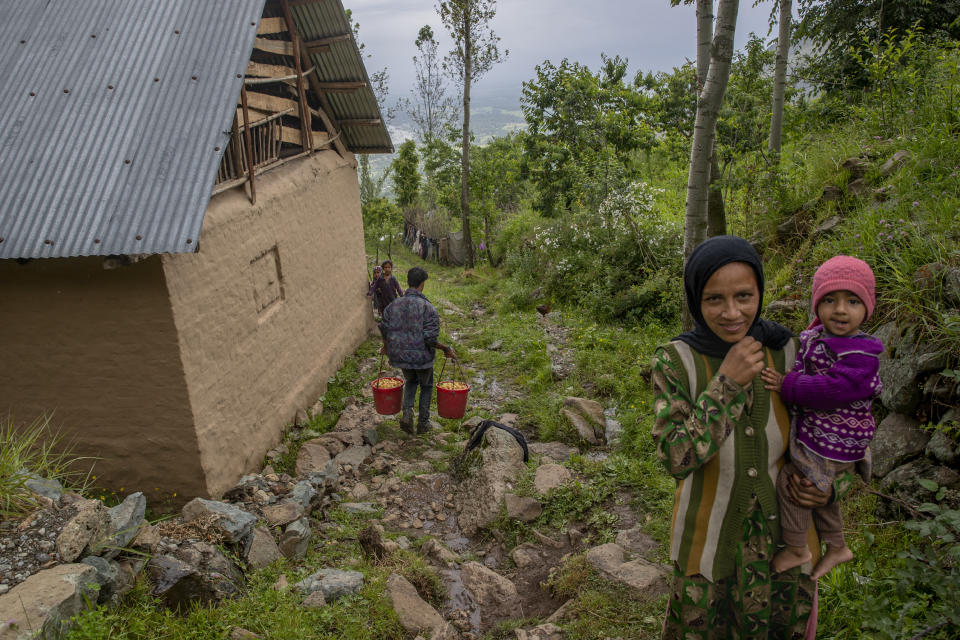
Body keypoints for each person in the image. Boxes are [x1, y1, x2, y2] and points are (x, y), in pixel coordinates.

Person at [651, 235, 846, 640]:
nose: (731, 312)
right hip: (707, 546)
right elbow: (676, 458)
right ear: (695, 300)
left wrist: (826, 491)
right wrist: (727, 384)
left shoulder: (792, 351)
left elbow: (829, 434)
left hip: (787, 544)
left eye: (744, 295)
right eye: (714, 300)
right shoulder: (677, 360)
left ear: (760, 291)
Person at [761, 256, 882, 579]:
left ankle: (798, 546)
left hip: (836, 439)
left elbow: (832, 389)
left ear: (867, 307)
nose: (840, 310)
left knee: (793, 480)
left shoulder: (861, 353)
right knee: (819, 487)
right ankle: (837, 545)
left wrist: (788, 384)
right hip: (826, 439)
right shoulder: (825, 337)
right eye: (829, 300)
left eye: (852, 301)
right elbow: (813, 340)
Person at [379, 266, 455, 434]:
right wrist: (445, 348)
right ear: (422, 284)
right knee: (426, 386)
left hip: (401, 355)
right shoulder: (428, 308)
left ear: (408, 282)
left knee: (411, 382)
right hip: (422, 358)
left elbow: (383, 327)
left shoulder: (393, 306)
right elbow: (430, 339)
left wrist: (386, 346)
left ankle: (407, 414)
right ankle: (423, 423)